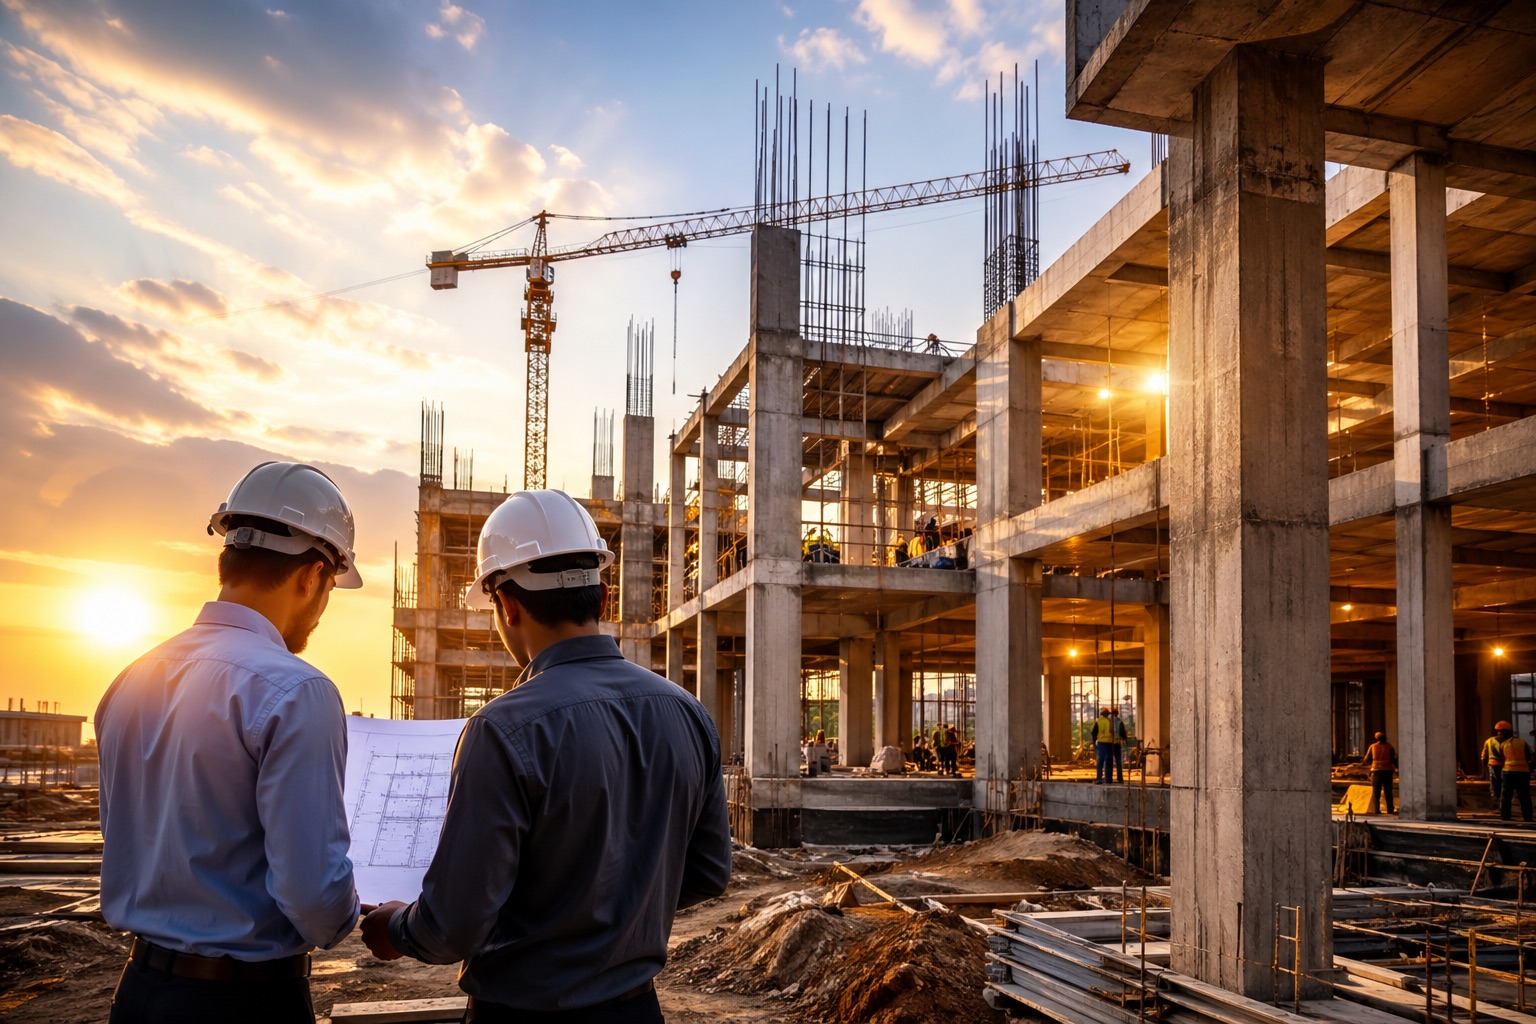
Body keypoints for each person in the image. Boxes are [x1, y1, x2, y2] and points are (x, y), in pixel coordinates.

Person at [359, 489, 731, 1022]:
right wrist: (617, 908)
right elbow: (709, 872)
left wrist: (396, 928)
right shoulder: (687, 713)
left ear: (507, 605)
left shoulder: (502, 729)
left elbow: (453, 927)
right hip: (637, 1012)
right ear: (603, 597)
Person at [96, 462, 364, 1024]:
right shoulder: (297, 691)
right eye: (330, 589)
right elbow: (314, 899)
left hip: (137, 993)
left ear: (228, 559)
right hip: (243, 1002)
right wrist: (357, 915)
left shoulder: (130, 679)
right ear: (314, 575)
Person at [1498, 722, 1534, 822]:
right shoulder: (1522, 742)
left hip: (1508, 772)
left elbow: (1502, 759)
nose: (1499, 734)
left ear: (1505, 733)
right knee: (1524, 795)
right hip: (1522, 773)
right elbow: (1530, 758)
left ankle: (1505, 816)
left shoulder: (1503, 745)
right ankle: (1527, 817)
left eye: (1500, 732)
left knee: (1506, 796)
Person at [1361, 730, 1398, 815]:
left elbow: (1366, 759)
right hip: (1387, 771)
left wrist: (1365, 764)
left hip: (1376, 771)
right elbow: (1393, 759)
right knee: (1388, 791)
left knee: (1376, 792)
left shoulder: (1373, 746)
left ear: (1377, 738)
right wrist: (1394, 768)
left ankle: (1376, 810)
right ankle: (1390, 809)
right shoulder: (1390, 746)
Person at [1482, 726, 1506, 804]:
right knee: (1504, 782)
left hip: (1493, 764)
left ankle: (1495, 798)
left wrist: (1483, 772)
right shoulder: (1508, 741)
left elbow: (1484, 756)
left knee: (1494, 782)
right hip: (1505, 765)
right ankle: (1502, 799)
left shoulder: (1489, 741)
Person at [1093, 706, 1116, 784]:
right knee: (1109, 761)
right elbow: (1112, 732)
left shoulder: (1098, 721)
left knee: (1100, 761)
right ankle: (1108, 779)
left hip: (1101, 743)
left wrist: (1094, 741)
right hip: (1108, 743)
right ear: (1107, 714)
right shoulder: (1109, 721)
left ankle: (1099, 778)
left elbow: (1093, 732)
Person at [1109, 708, 1129, 783]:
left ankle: (1109, 777)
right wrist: (1125, 739)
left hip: (1109, 743)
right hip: (1117, 743)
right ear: (1117, 714)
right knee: (1118, 761)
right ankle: (1120, 777)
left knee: (1109, 760)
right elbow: (1122, 732)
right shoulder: (1119, 722)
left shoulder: (1108, 721)